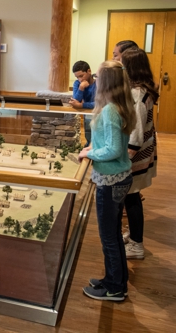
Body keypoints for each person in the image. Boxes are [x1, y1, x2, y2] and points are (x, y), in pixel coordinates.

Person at [79, 60, 136, 301]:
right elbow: (110, 143)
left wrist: (88, 153)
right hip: (118, 177)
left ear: (107, 82)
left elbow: (112, 149)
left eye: (100, 77)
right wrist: (95, 145)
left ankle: (115, 288)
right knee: (112, 234)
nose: (96, 81)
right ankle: (116, 279)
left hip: (111, 179)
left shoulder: (111, 109)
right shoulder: (119, 106)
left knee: (109, 237)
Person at [121, 47, 158, 260]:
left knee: (132, 198)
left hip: (135, 155)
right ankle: (135, 236)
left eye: (124, 65)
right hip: (144, 152)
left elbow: (135, 136)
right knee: (131, 198)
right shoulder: (145, 89)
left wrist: (124, 161)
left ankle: (136, 245)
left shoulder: (137, 94)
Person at [69, 60, 96, 146]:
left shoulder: (98, 83)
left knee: (96, 138)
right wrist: (81, 88)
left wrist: (82, 105)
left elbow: (99, 104)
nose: (80, 79)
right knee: (88, 136)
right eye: (77, 77)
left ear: (89, 71)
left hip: (98, 114)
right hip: (87, 115)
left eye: (81, 76)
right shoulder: (78, 83)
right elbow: (75, 101)